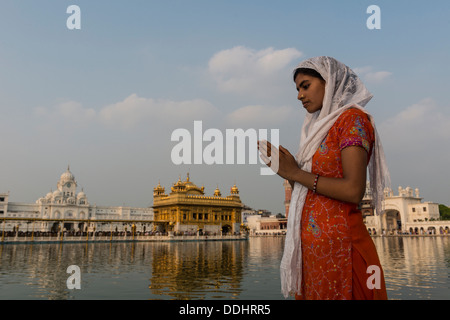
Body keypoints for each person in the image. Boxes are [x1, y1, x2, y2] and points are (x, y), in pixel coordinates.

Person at [258, 56, 390, 300]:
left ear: (330, 83)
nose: (299, 95)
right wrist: (288, 174)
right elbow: (312, 187)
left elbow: (353, 190)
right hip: (315, 254)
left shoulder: (351, 120)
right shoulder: (317, 130)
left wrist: (296, 173)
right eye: (297, 88)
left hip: (343, 250)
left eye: (305, 86)